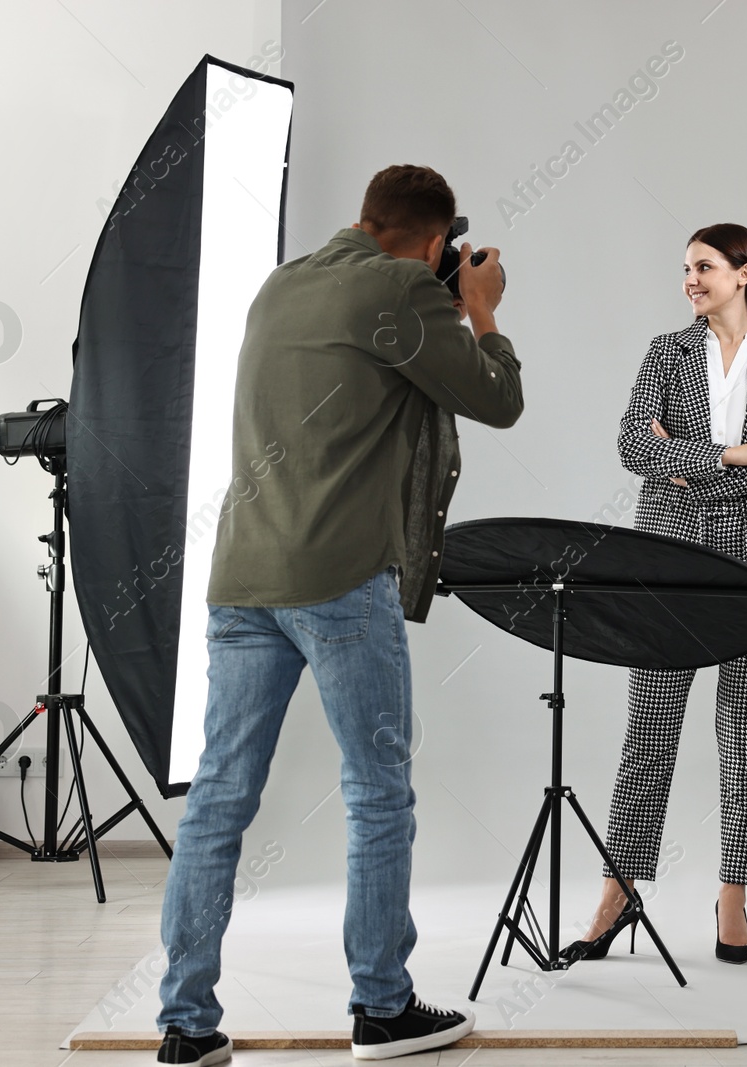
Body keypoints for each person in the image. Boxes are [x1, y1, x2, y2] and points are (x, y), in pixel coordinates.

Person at [153, 164, 523, 1065]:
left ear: (365, 217)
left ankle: (185, 1025)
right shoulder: (402, 289)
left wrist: (430, 289)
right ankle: (382, 1009)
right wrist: (480, 306)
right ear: (435, 241)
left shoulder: (282, 285)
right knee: (377, 792)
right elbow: (496, 398)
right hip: (340, 579)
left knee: (218, 799)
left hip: (242, 575)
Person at [563, 223, 747, 966]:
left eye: (703, 266)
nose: (689, 280)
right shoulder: (663, 353)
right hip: (668, 564)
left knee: (745, 736)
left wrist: (684, 467)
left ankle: (732, 892)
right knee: (649, 734)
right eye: (684, 269)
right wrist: (732, 451)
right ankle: (617, 890)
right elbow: (632, 447)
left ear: (743, 272)